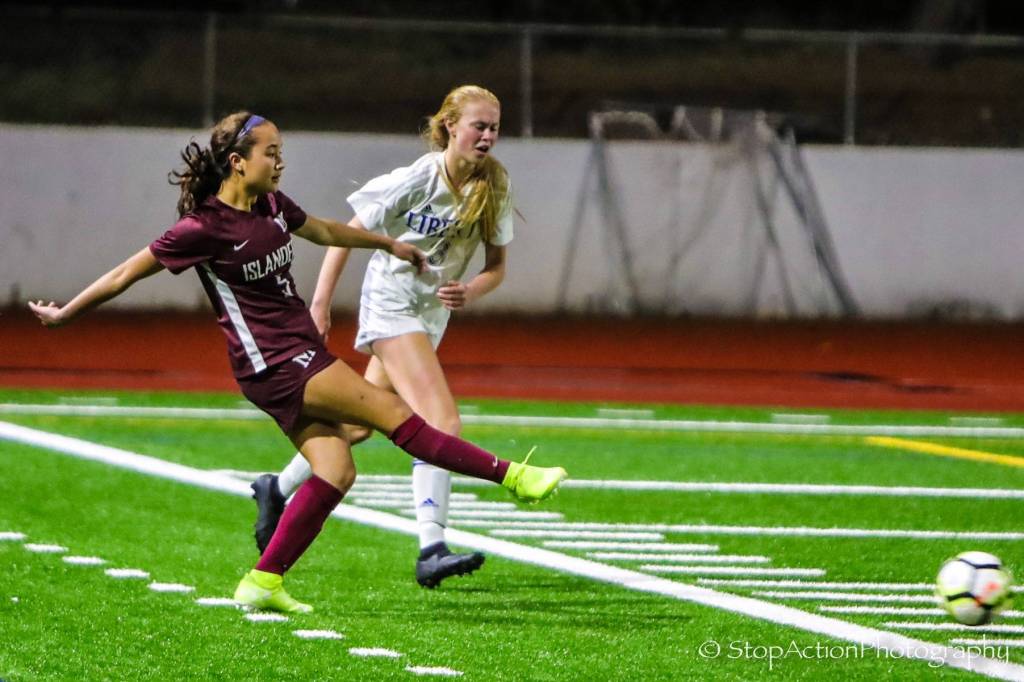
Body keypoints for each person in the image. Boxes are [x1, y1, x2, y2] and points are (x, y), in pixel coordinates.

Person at [28, 111, 567, 613]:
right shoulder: (204, 228)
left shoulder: (271, 205)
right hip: (275, 362)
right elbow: (126, 273)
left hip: (293, 355)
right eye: (271, 152)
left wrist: (387, 243)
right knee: (394, 414)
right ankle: (514, 477)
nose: (280, 161)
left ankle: (264, 581)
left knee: (337, 469)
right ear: (238, 162)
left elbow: (328, 230)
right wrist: (67, 313)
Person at [250, 85, 517, 590]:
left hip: (430, 314)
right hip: (391, 304)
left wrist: (472, 290)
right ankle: (431, 546)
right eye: (478, 125)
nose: (487, 136)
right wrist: (321, 303)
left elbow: (497, 268)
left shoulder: (496, 186)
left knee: (359, 426)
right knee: (441, 420)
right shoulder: (418, 178)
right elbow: (343, 234)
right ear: (450, 127)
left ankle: (276, 487)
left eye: (494, 127)